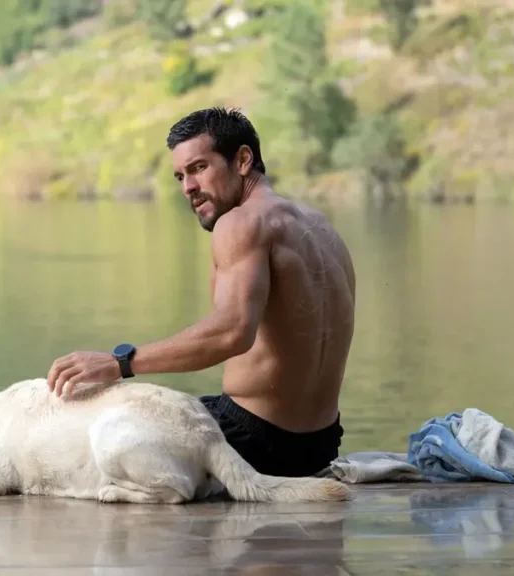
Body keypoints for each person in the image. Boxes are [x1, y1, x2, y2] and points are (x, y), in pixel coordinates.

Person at [46, 107, 356, 478]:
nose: (188, 188)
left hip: (251, 440)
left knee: (85, 435)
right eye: (180, 176)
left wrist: (118, 363)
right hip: (321, 444)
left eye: (198, 168)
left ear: (242, 159)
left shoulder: (241, 223)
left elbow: (232, 332)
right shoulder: (321, 227)